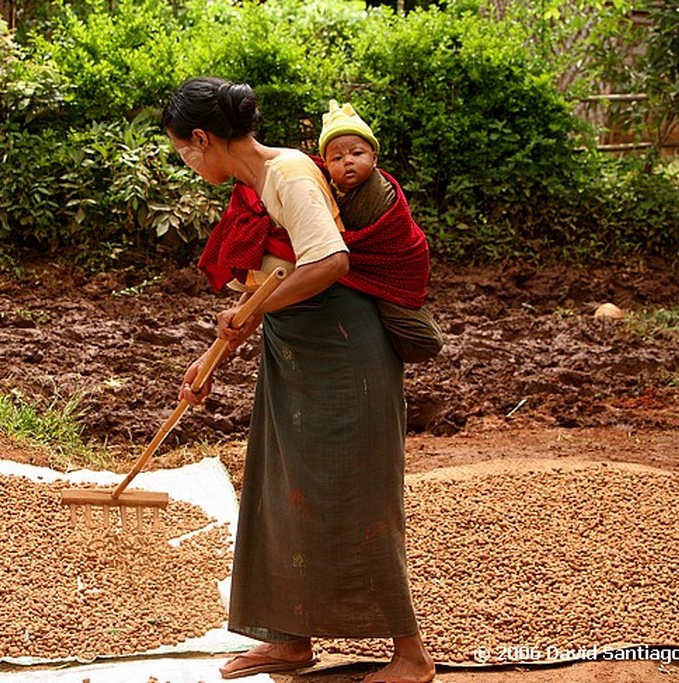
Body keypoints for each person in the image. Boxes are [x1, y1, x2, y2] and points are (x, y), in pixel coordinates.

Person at [162, 76, 436, 683]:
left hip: (344, 353)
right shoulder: (257, 183)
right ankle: (288, 641)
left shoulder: (287, 175)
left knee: (355, 492)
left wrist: (252, 312)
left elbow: (331, 260)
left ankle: (411, 656)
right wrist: (211, 359)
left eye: (184, 149)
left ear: (203, 139)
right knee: (279, 487)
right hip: (299, 350)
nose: (187, 161)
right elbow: (276, 279)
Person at [318, 99, 443, 363]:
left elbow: (329, 235)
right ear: (326, 166)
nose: (348, 162)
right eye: (337, 158)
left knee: (425, 341)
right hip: (360, 267)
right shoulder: (333, 191)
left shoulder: (377, 192)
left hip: (393, 267)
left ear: (374, 158)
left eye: (357, 153)